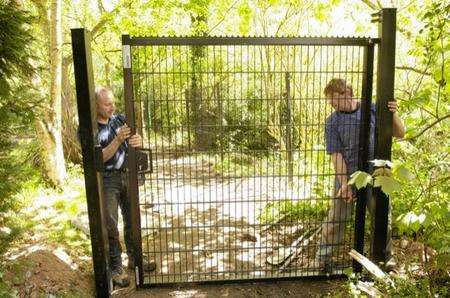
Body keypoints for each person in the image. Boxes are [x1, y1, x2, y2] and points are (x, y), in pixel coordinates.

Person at [309, 78, 405, 272]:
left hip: (377, 174)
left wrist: (393, 114)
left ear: (348, 93)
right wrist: (344, 184)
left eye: (334, 99)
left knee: (381, 215)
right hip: (348, 176)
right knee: (336, 217)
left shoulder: (373, 109)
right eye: (329, 100)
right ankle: (322, 259)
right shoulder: (332, 122)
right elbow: (336, 155)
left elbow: (400, 133)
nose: (332, 104)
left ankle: (385, 259)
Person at [95, 86, 156, 287]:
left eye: (113, 102)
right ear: (96, 105)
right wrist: (118, 139)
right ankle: (115, 267)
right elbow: (100, 157)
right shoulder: (91, 128)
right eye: (107, 104)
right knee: (111, 225)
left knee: (132, 219)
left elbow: (134, 142)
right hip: (107, 179)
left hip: (128, 175)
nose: (112, 107)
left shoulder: (119, 119)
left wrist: (137, 141)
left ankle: (135, 259)